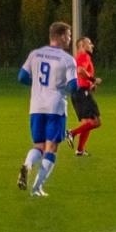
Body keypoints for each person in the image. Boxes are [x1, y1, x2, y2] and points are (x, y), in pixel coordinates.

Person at [17, 21, 77, 197]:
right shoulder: (67, 59)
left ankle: (27, 164)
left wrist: (36, 85)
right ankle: (37, 188)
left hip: (36, 106)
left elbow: (22, 77)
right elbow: (74, 86)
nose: (70, 38)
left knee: (38, 145)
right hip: (55, 107)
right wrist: (63, 88)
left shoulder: (35, 54)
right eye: (68, 35)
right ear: (59, 36)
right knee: (51, 148)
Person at [68, 36, 102, 156]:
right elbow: (80, 70)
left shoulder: (80, 57)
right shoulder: (83, 56)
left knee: (88, 122)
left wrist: (90, 85)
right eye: (89, 43)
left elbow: (80, 74)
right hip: (81, 92)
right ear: (82, 46)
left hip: (79, 92)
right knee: (96, 122)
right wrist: (93, 79)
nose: (92, 45)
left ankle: (80, 150)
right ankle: (72, 133)